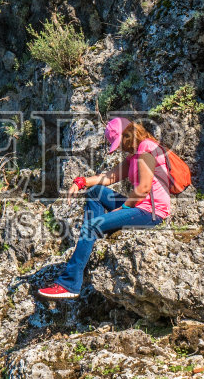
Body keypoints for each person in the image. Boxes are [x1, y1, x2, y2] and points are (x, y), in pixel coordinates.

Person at [38, 116, 172, 299]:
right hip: (140, 207)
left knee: (91, 226)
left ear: (128, 135)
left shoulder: (146, 148)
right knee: (96, 192)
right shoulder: (134, 156)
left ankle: (69, 284)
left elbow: (143, 188)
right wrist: (81, 182)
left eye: (120, 143)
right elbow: (108, 177)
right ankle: (91, 238)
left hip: (151, 212)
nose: (120, 148)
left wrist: (124, 208)